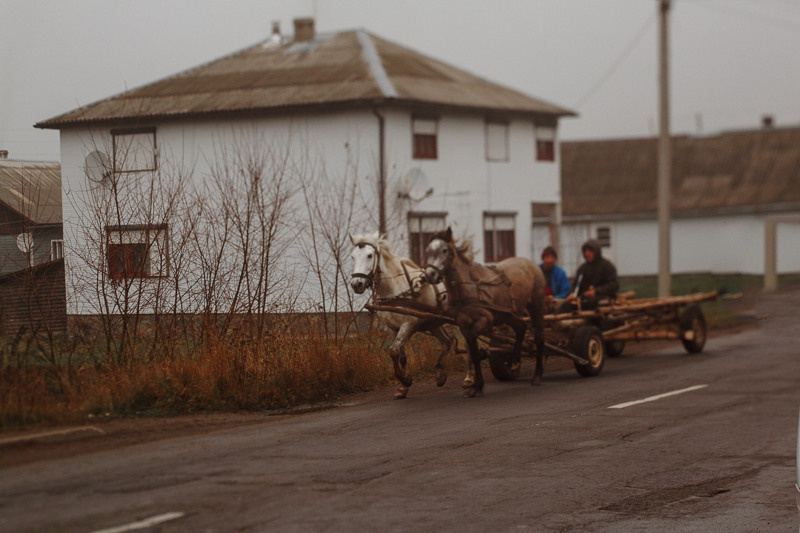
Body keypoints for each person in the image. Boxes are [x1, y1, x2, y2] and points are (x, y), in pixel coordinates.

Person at [564, 239, 619, 311]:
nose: (587, 254)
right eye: (585, 251)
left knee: (592, 303)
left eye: (590, 251)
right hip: (585, 298)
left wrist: (596, 291)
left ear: (596, 252)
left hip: (603, 297)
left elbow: (614, 285)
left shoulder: (607, 266)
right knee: (566, 305)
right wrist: (573, 294)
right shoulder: (582, 268)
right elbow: (576, 285)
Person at [539, 245, 570, 312]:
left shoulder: (560, 273)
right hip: (539, 302)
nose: (550, 260)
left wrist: (554, 298)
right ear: (543, 258)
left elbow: (565, 292)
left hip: (554, 303)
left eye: (552, 257)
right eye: (547, 257)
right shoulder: (536, 272)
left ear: (555, 259)